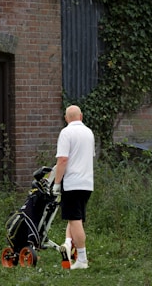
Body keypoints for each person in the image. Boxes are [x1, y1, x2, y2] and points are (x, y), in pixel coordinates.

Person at [53, 105, 95, 270]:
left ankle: (82, 260)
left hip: (72, 183)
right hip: (87, 183)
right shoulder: (89, 133)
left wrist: (57, 183)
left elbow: (63, 160)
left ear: (66, 118)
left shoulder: (66, 132)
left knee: (75, 220)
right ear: (81, 116)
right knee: (75, 217)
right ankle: (68, 243)